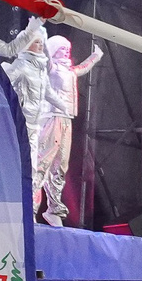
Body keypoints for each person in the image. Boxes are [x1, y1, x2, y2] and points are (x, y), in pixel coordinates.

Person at [36, 34, 105, 223]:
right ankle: (31, 206)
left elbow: (83, 68)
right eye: (62, 48)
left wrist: (96, 56)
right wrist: (39, 33)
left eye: (68, 48)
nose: (66, 51)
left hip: (66, 119)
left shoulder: (70, 70)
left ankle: (54, 208)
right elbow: (45, 56)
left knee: (60, 165)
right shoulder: (50, 67)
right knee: (44, 161)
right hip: (51, 117)